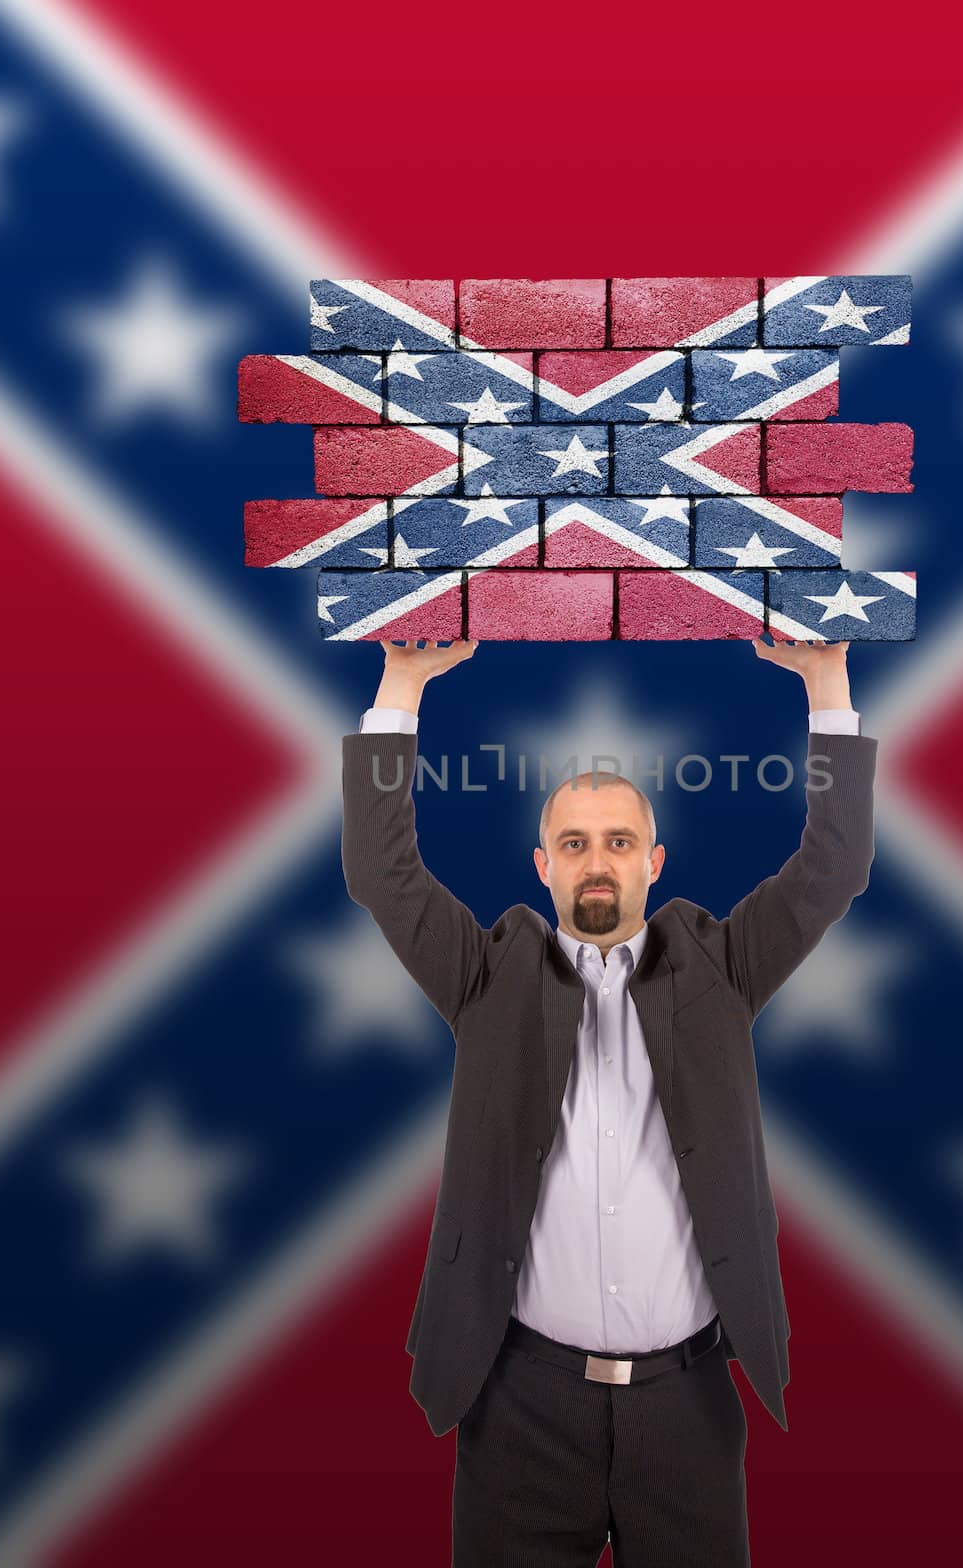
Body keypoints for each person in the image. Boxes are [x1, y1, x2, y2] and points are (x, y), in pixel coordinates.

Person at [342, 636, 877, 1567]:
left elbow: (830, 870)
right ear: (541, 864)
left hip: (690, 1406)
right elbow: (381, 875)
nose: (599, 862)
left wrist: (826, 682)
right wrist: (402, 682)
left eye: (619, 843)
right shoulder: (484, 975)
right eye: (575, 843)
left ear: (654, 862)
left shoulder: (722, 966)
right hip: (517, 1400)